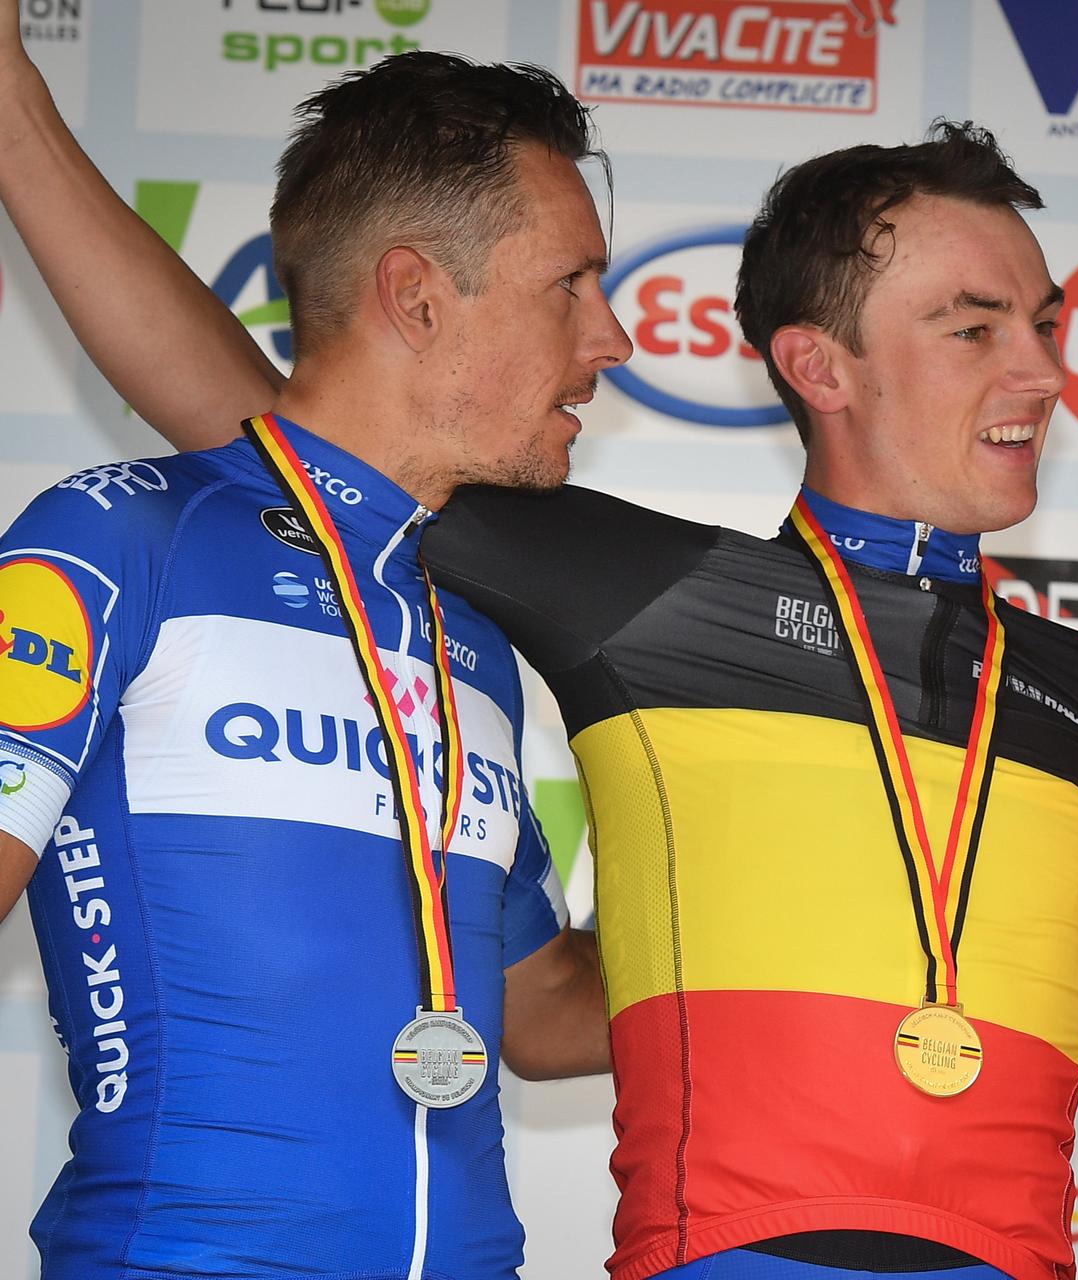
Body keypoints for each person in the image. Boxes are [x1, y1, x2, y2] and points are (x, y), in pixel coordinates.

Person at [0, 29, 1078, 1280]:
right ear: (818, 364)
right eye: (975, 329)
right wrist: (19, 120)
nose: (1043, 367)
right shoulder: (630, 595)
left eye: (1045, 322)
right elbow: (285, 427)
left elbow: (542, 1006)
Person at [0, 25, 620, 1280]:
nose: (612, 337)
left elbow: (546, 1005)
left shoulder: (477, 628)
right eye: (572, 285)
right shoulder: (121, 538)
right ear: (415, 294)